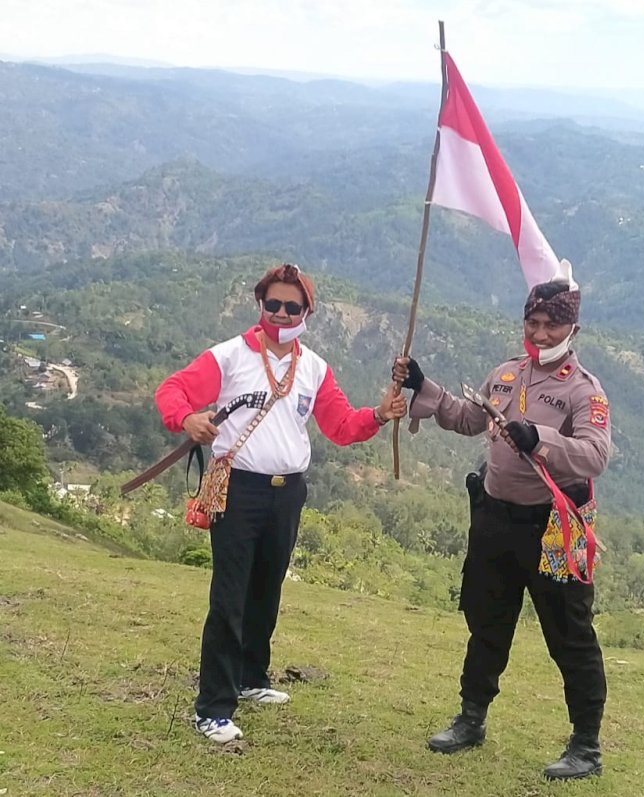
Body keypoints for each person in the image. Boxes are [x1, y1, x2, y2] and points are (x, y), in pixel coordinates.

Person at [155, 263, 407, 744]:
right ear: (260, 305)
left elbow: (340, 425)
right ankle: (212, 706)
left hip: (288, 491)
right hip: (238, 489)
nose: (282, 313)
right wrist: (186, 418)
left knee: (266, 589)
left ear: (306, 311)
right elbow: (172, 390)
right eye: (273, 304)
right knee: (229, 595)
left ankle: (252, 678)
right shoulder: (229, 356)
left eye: (293, 306)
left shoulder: (312, 368)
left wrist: (378, 413)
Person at [393, 275, 611, 781]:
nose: (539, 334)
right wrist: (423, 387)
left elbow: (595, 455)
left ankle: (586, 746)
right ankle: (471, 719)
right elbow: (469, 418)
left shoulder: (584, 391)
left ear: (572, 327)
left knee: (569, 634)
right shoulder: (507, 375)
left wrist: (540, 440)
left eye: (551, 324)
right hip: (494, 517)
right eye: (532, 323)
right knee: (486, 621)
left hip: (553, 529)